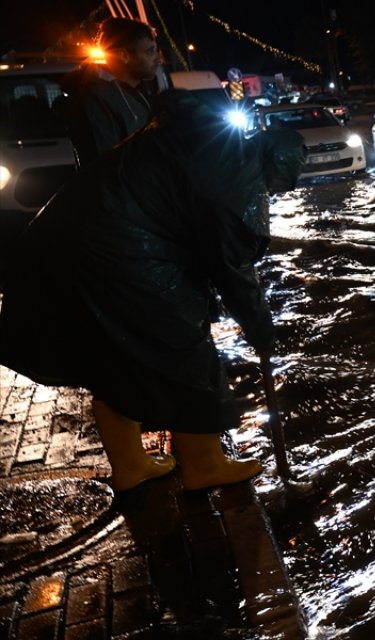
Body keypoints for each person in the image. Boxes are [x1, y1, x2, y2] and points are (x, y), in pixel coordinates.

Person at [0, 90, 305, 492]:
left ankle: (131, 466)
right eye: (278, 187)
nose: (273, 194)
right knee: (186, 349)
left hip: (65, 244)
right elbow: (233, 269)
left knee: (114, 357)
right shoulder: (237, 176)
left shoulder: (207, 148)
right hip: (119, 253)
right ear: (275, 167)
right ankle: (205, 464)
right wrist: (261, 329)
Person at [61, 17, 160, 163]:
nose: (158, 58)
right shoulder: (96, 99)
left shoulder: (134, 91)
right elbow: (107, 163)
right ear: (123, 56)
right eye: (150, 51)